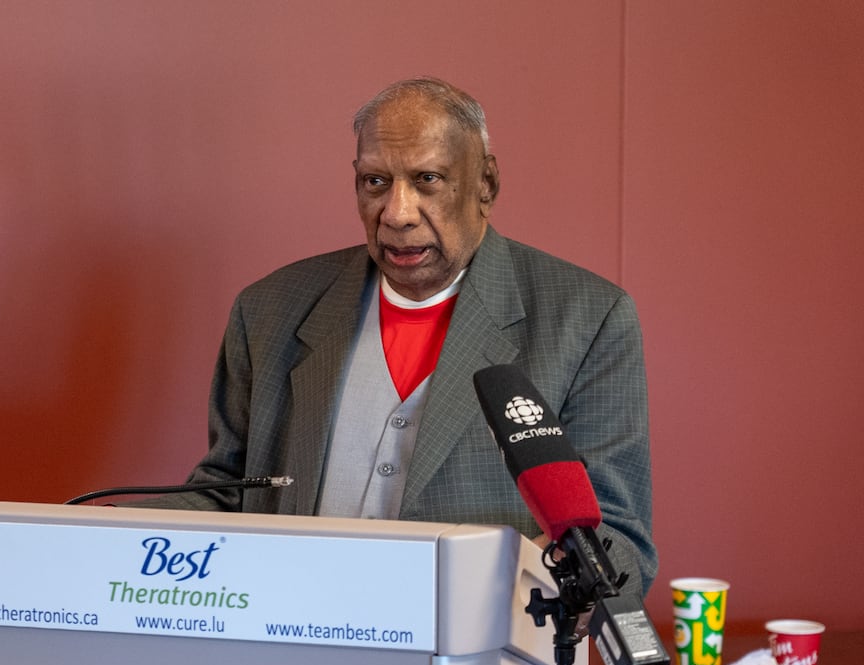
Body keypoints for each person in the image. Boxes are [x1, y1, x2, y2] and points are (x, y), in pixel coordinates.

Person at [148, 76, 655, 598]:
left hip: (482, 663)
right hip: (294, 652)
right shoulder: (269, 309)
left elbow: (618, 542)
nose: (397, 213)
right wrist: (91, 533)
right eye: (375, 182)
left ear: (486, 184)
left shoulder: (589, 319)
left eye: (427, 179)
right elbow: (226, 494)